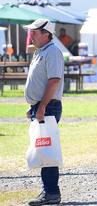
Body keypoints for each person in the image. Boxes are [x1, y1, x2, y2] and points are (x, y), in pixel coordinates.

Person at [24, 19, 65, 206]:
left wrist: (41, 107)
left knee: (46, 148)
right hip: (41, 106)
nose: (31, 35)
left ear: (46, 33)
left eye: (34, 32)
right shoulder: (41, 52)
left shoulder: (52, 52)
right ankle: (49, 191)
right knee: (43, 148)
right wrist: (33, 105)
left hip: (47, 107)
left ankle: (51, 193)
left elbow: (54, 81)